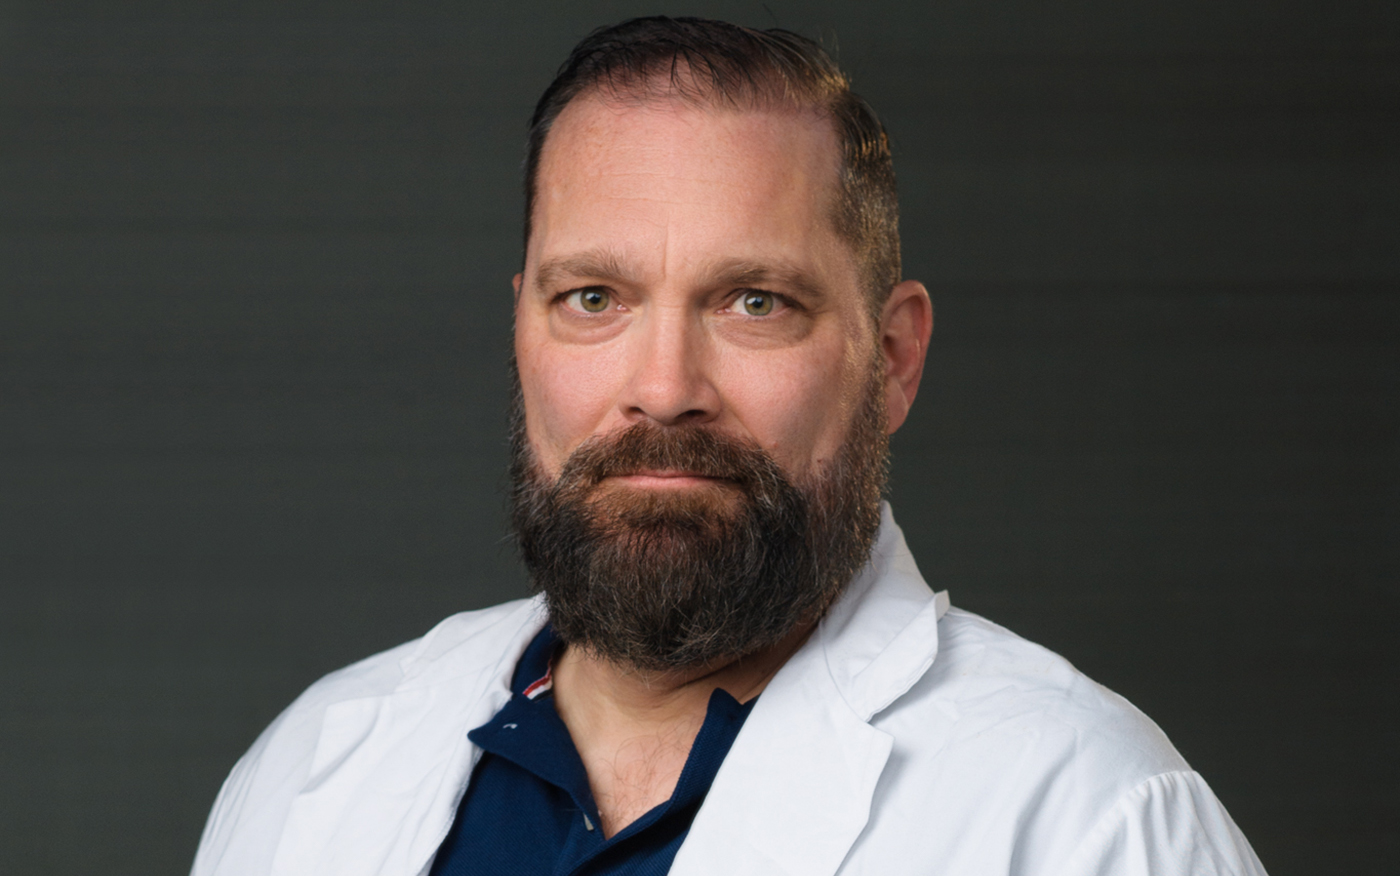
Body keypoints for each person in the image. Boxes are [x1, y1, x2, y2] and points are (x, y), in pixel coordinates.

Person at [191, 17, 1267, 876]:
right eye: (593, 298)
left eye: (755, 302)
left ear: (892, 359)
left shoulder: (1090, 820)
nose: (664, 391)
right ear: (520, 329)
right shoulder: (311, 772)